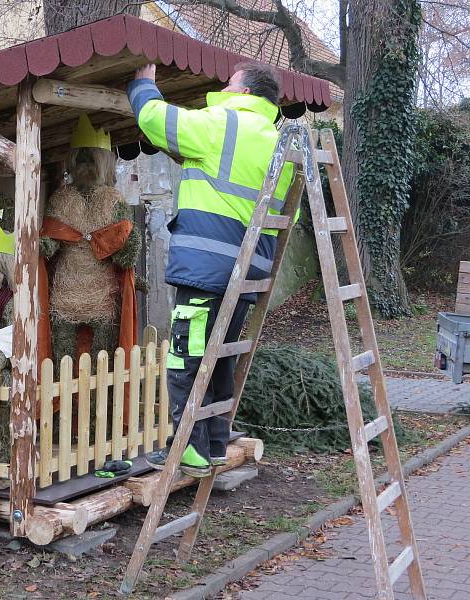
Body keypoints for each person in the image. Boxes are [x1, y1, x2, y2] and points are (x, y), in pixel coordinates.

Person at [127, 62, 295, 477]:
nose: (223, 85)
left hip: (205, 268)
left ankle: (189, 449)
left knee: (185, 354)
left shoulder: (224, 122)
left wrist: (142, 84)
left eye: (230, 81)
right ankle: (216, 442)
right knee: (218, 356)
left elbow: (154, 119)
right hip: (246, 271)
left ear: (244, 92)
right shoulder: (275, 140)